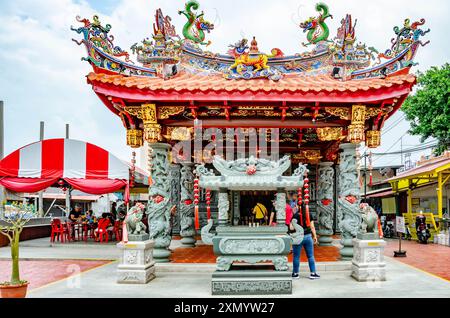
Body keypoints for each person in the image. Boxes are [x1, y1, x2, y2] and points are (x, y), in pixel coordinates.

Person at [290, 205, 320, 280]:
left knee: (296, 256)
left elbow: (291, 227)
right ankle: (313, 273)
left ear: (298, 207)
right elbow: (312, 227)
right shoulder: (309, 214)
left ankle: (295, 274)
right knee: (310, 256)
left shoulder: (296, 215)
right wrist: (315, 236)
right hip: (308, 236)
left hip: (298, 238)